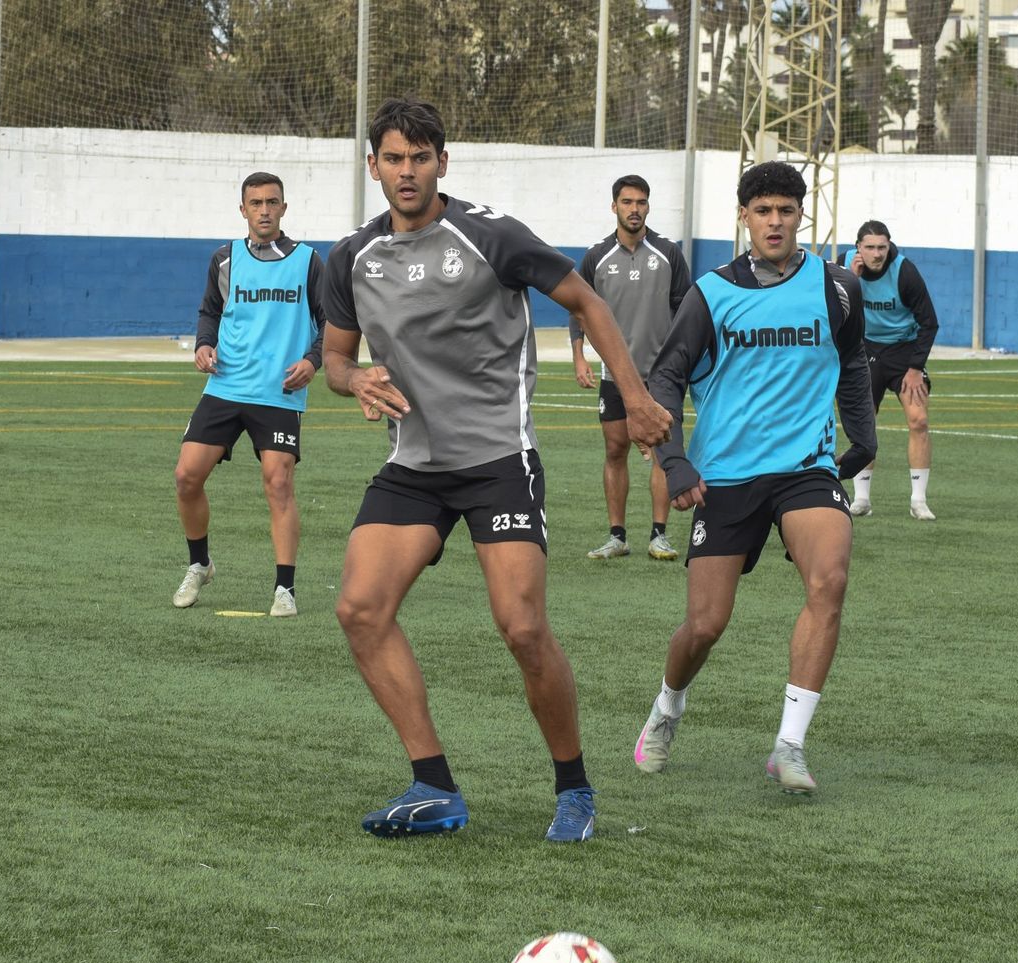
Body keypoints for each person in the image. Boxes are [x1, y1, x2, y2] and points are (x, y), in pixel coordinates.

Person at [320, 99, 671, 841]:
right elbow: (335, 358)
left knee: (520, 627)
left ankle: (574, 788)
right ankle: (434, 785)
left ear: (442, 162)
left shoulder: (490, 235)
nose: (406, 171)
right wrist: (353, 381)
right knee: (359, 609)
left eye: (420, 157)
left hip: (497, 461)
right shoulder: (351, 256)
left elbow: (585, 301)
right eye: (392, 158)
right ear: (373, 165)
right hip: (413, 465)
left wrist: (635, 396)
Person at [633, 161, 877, 795]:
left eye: (786, 211)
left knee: (831, 579)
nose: (775, 221)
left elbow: (852, 362)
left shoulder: (837, 287)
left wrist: (864, 436)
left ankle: (789, 745)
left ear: (802, 216)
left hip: (805, 470)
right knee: (705, 626)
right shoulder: (712, 293)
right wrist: (674, 459)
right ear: (744, 217)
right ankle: (667, 708)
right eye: (763, 210)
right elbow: (666, 379)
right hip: (726, 478)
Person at [172, 172, 324, 618]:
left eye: (272, 202)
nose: (264, 210)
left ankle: (285, 589)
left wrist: (313, 361)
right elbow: (210, 311)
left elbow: (333, 321)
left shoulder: (310, 262)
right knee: (186, 477)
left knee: (278, 483)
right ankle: (200, 562)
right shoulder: (224, 259)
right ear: (243, 210)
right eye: (255, 203)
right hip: (226, 384)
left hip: (278, 391)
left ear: (284, 208)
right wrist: (203, 344)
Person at [570, 175, 692, 562]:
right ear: (614, 207)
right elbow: (579, 309)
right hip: (613, 377)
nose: (634, 209)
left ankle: (659, 535)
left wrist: (684, 362)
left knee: (661, 450)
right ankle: (617, 536)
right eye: (627, 202)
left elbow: (687, 311)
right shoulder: (595, 257)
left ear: (648, 207)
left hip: (662, 376)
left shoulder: (669, 253)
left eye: (641, 202)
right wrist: (579, 355)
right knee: (615, 449)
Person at [839, 221, 940, 520]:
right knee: (863, 424)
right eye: (870, 247)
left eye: (882, 247)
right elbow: (829, 306)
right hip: (864, 349)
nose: (877, 254)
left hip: (904, 350)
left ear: (889, 246)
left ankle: (918, 500)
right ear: (858, 247)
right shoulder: (842, 266)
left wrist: (915, 368)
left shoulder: (904, 272)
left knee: (918, 420)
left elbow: (929, 323)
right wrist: (850, 279)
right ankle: (862, 500)